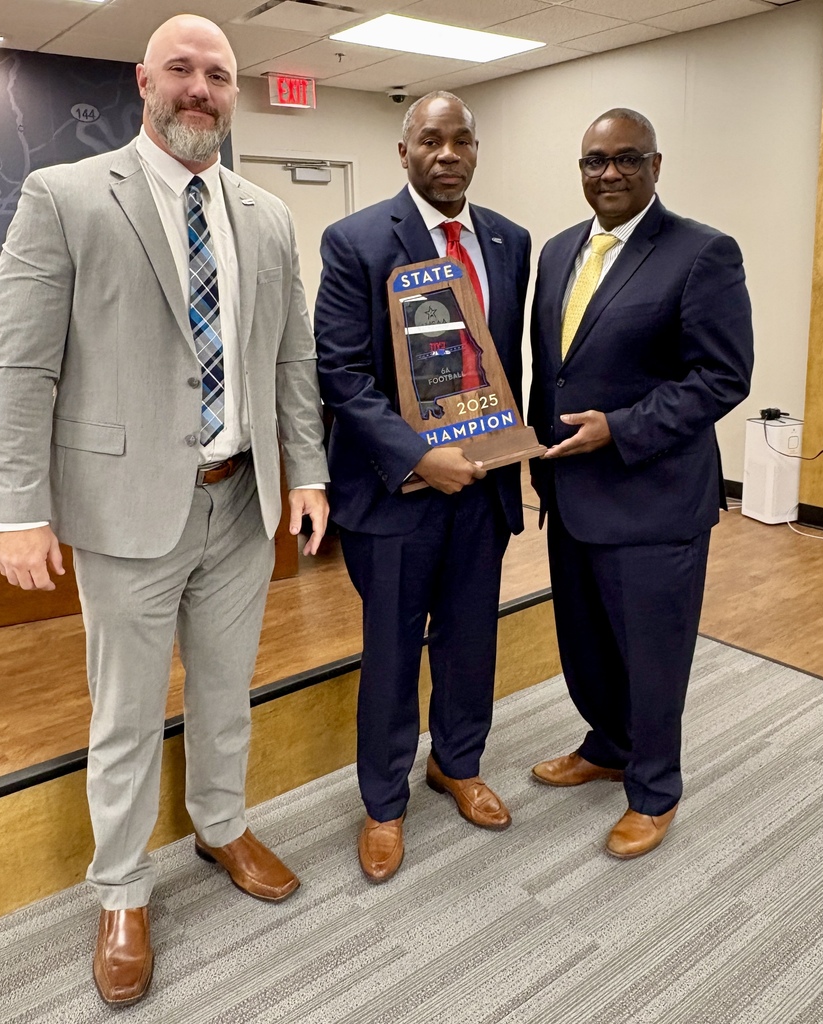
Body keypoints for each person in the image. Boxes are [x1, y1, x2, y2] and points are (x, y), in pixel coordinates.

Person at [0, 15, 329, 1005]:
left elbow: (290, 360)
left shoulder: (264, 216)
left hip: (241, 501)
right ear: (143, 79)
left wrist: (305, 473)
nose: (200, 88)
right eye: (182, 68)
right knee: (127, 713)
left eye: (218, 74)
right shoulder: (64, 196)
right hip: (127, 509)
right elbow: (21, 362)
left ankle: (222, 826)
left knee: (227, 691)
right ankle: (123, 886)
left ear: (235, 91)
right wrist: (18, 506)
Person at [314, 92, 531, 883]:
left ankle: (459, 763)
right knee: (395, 650)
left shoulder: (510, 241)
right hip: (394, 494)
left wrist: (507, 447)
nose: (447, 154)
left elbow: (502, 360)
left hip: (483, 488)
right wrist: (417, 456)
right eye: (430, 141)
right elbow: (338, 371)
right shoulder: (357, 240)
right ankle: (383, 803)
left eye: (461, 141)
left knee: (473, 640)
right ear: (402, 151)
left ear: (476, 151)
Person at [528, 108, 753, 859]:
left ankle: (655, 789)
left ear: (657, 165)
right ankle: (609, 745)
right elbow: (550, 369)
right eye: (596, 161)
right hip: (570, 495)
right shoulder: (559, 252)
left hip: (654, 500)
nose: (610, 174)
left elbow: (722, 376)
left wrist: (622, 428)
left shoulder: (701, 253)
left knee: (654, 656)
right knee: (588, 647)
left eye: (628, 159)